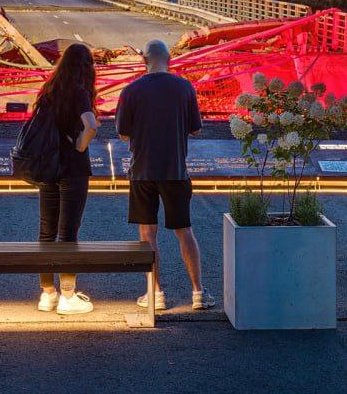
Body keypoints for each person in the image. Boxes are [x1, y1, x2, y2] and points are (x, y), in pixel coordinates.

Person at [115, 39, 215, 311]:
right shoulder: (184, 87)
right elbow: (195, 129)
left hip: (142, 170)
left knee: (148, 233)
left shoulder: (131, 90)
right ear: (169, 59)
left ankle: (155, 293)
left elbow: (123, 133)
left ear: (144, 60)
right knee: (184, 231)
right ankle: (198, 293)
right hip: (175, 169)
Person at [33, 42, 100, 315]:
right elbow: (91, 125)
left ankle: (47, 293)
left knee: (46, 231)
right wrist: (82, 144)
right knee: (68, 233)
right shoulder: (79, 92)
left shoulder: (48, 91)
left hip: (47, 166)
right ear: (85, 66)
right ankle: (68, 296)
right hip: (72, 169)